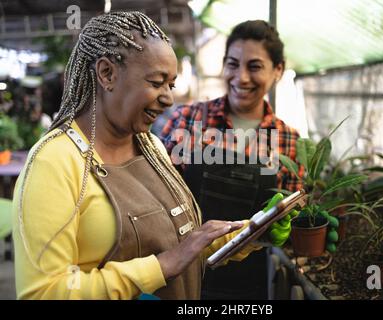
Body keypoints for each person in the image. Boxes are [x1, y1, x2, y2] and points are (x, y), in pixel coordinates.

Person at [11, 12, 295, 300]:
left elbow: (185, 244)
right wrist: (161, 267)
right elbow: (43, 293)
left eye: (170, 85)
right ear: (107, 73)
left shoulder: (152, 147)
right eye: (157, 82)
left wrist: (251, 232)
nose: (169, 98)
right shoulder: (55, 162)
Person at [158, 20, 310, 300]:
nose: (240, 77)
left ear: (278, 70)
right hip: (180, 275)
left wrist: (306, 225)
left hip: (249, 285)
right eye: (232, 64)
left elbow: (288, 222)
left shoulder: (287, 141)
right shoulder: (188, 120)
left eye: (254, 66)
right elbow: (156, 195)